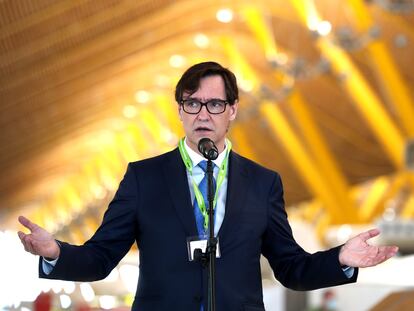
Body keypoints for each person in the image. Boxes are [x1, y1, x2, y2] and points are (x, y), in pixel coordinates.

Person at [18, 61, 398, 311]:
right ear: (180, 110)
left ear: (232, 110)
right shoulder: (143, 177)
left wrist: (340, 260)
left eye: (215, 104)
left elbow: (291, 267)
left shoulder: (263, 183)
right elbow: (100, 258)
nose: (203, 114)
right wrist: (56, 253)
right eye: (193, 103)